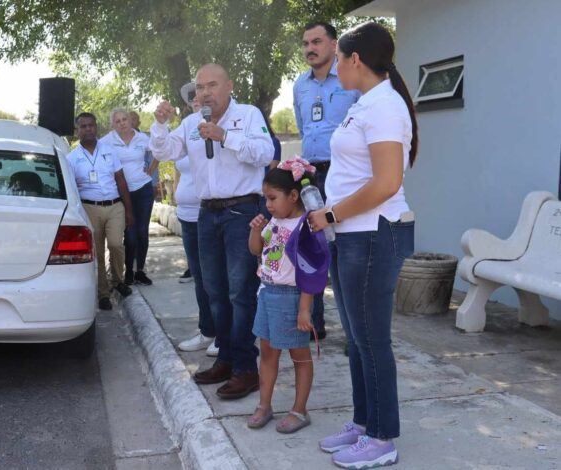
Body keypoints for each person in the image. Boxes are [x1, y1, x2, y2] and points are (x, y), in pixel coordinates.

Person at [307, 22, 418, 469]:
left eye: (338, 59)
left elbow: (388, 182)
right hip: (353, 235)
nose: (334, 66)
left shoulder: (385, 107)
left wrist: (332, 214)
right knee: (356, 339)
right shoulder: (366, 104)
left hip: (374, 233)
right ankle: (362, 421)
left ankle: (382, 438)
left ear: (355, 60)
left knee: (372, 340)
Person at [150, 63, 274, 399]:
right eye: (200, 87)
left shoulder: (248, 115)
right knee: (214, 290)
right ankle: (226, 358)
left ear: (229, 86)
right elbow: (163, 152)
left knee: (240, 291)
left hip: (242, 212)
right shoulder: (191, 123)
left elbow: (266, 152)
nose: (204, 92)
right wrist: (160, 125)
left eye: (212, 85)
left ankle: (247, 369)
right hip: (208, 215)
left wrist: (225, 137)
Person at [246, 160, 329, 434]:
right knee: (268, 352)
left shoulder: (306, 226)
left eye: (272, 198)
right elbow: (256, 250)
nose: (268, 204)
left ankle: (299, 410)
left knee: (299, 356)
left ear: (294, 196)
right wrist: (255, 230)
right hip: (268, 294)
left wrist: (305, 308)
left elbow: (312, 271)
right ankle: (264, 405)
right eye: (265, 199)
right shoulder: (275, 221)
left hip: (292, 297)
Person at [293, 21, 360, 341]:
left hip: (344, 174)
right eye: (306, 43)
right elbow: (303, 127)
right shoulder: (299, 87)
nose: (310, 48)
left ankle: (355, 334)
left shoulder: (351, 79)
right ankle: (314, 326)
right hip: (310, 176)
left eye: (317, 41)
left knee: (347, 250)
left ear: (334, 45)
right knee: (314, 249)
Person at [67, 112, 134, 311]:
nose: (88, 129)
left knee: (115, 245)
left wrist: (129, 210)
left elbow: (121, 180)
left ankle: (118, 281)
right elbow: (71, 188)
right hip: (89, 207)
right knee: (97, 251)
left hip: (114, 205)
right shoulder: (71, 158)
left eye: (91, 125)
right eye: (83, 126)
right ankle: (103, 293)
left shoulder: (109, 150)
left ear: (96, 127)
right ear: (77, 130)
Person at [174, 95, 217, 357]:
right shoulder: (187, 127)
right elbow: (169, 155)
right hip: (186, 215)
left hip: (209, 212)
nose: (198, 102)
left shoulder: (220, 125)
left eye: (204, 95)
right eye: (194, 99)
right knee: (200, 278)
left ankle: (225, 334)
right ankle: (207, 330)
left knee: (216, 278)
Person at [102, 108, 155, 286]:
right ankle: (129, 273)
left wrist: (151, 170)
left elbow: (160, 151)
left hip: (144, 190)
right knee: (130, 234)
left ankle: (140, 270)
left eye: (124, 119)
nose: (122, 123)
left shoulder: (142, 138)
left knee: (142, 232)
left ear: (130, 121)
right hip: (123, 192)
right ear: (113, 124)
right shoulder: (107, 141)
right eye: (117, 121)